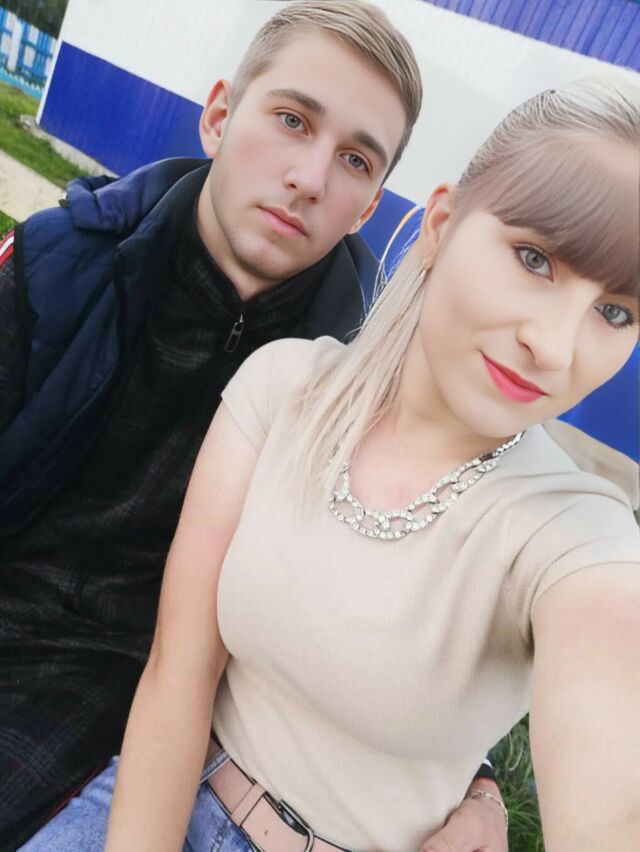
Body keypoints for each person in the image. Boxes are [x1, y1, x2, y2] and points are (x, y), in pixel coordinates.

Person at [20, 77, 640, 852]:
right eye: (534, 258)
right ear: (440, 226)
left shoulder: (577, 532)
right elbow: (181, 668)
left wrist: (489, 793)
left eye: (616, 312)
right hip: (159, 792)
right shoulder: (283, 386)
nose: (553, 346)